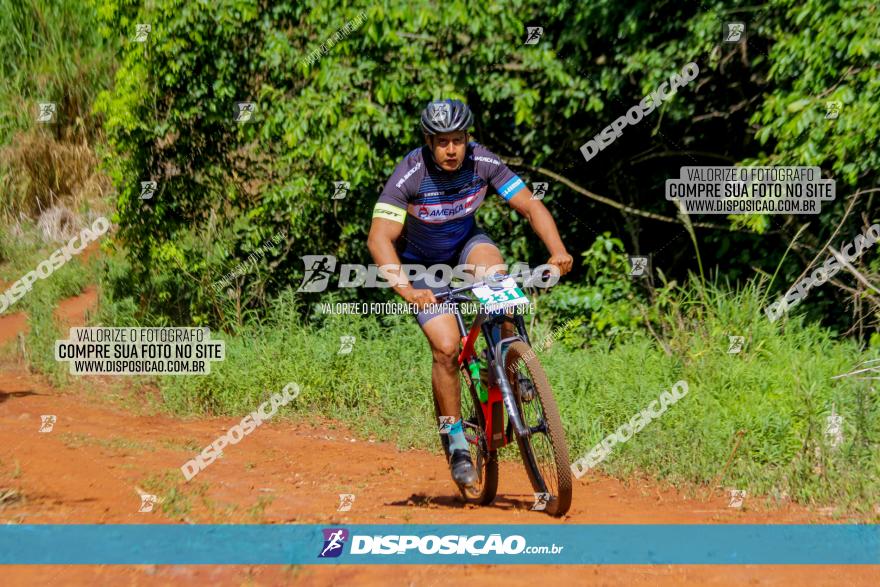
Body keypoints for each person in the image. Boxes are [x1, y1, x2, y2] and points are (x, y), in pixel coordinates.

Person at [367, 99, 572, 486]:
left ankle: (510, 365)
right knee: (446, 348)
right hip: (421, 267)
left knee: (499, 283)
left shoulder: (483, 162)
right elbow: (379, 238)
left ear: (467, 139)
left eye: (457, 141)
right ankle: (457, 441)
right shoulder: (410, 173)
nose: (450, 150)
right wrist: (407, 290)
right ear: (429, 141)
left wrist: (557, 250)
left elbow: (530, 205)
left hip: (466, 246)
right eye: (442, 142)